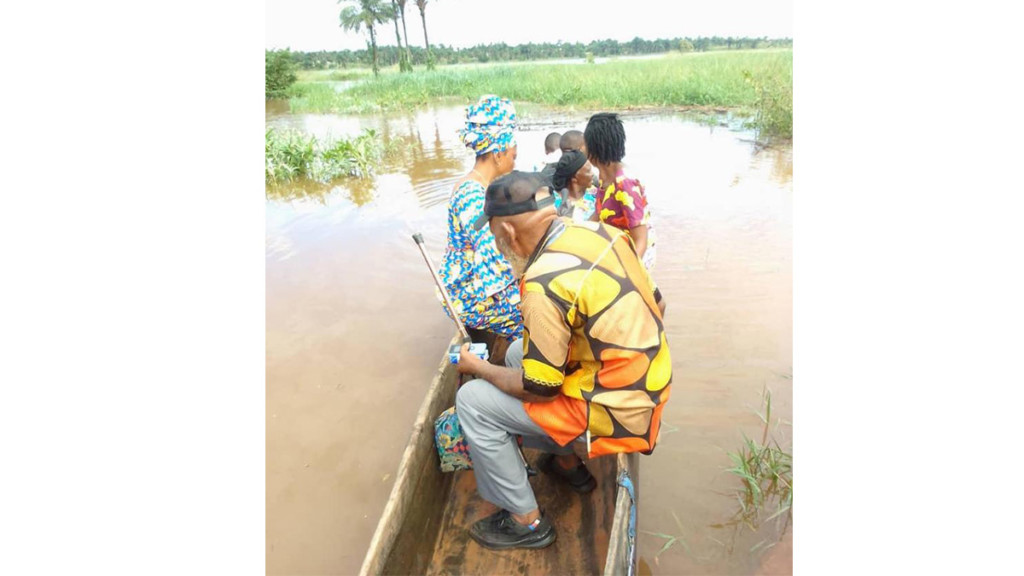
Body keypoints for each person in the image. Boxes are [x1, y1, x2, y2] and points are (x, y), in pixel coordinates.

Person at [453, 171, 672, 550]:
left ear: (506, 231)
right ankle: (569, 465)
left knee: (472, 402)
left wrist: (479, 369)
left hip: (616, 413)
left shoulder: (541, 283)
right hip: (649, 388)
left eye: (492, 233)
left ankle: (526, 522)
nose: (496, 242)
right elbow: (660, 303)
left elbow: (540, 390)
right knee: (523, 352)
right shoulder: (603, 234)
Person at [438, 95, 523, 340]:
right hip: (466, 293)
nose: (514, 162)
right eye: (513, 156)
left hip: (477, 281)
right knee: (536, 312)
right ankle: (512, 363)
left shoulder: (488, 186)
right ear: (498, 153)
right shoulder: (471, 195)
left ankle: (504, 354)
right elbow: (491, 251)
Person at [583, 113, 658, 272]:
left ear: (595, 148)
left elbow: (641, 241)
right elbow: (597, 214)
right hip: (616, 249)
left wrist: (625, 275)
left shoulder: (625, 184)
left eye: (586, 144)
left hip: (634, 258)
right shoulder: (605, 178)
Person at [551, 149, 596, 222]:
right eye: (588, 171)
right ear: (574, 177)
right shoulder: (554, 204)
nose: (592, 174)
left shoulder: (595, 195)